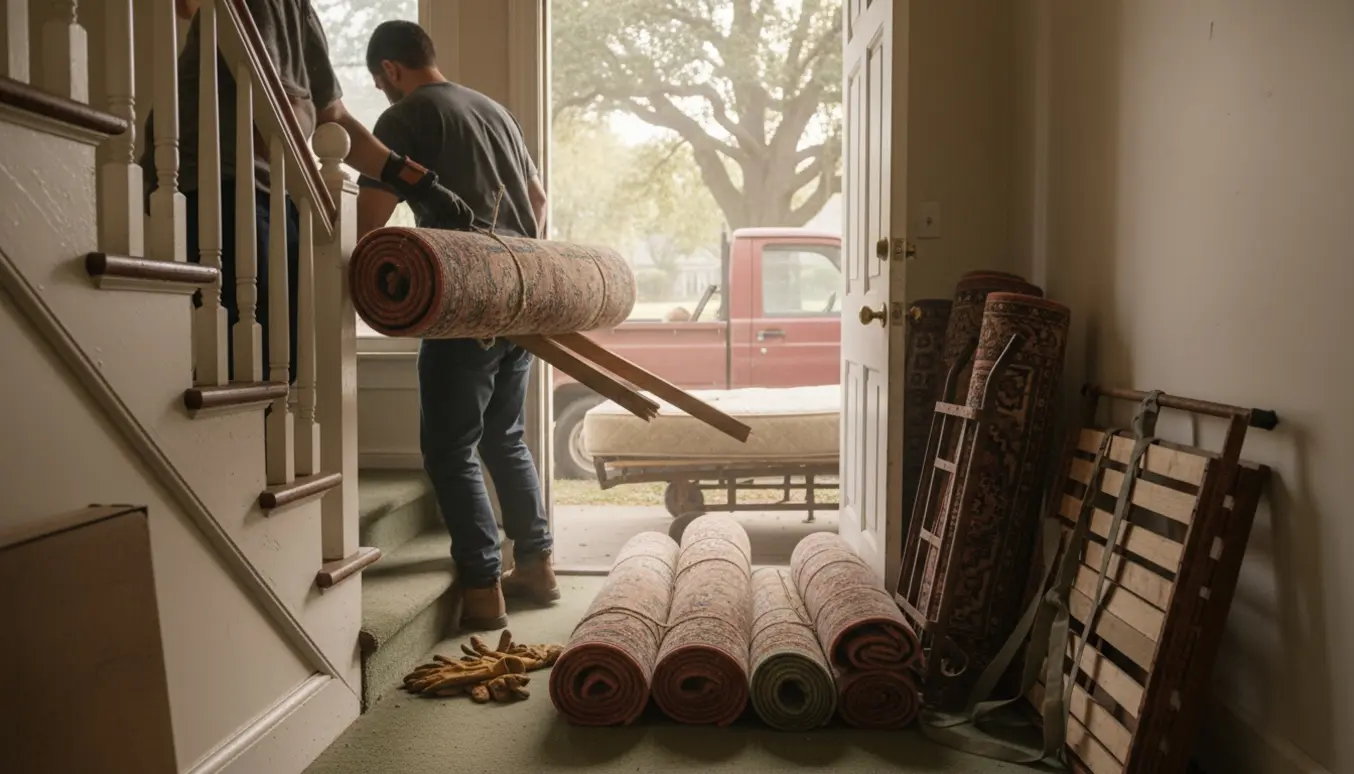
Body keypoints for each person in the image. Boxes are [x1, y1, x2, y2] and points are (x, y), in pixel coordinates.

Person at [142, 0, 475, 382]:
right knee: (257, 350)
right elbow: (269, 105)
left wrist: (417, 181)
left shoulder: (301, 13)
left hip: (274, 187)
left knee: (293, 346)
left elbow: (334, 118)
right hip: (220, 183)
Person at [355, 20, 556, 631]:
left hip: (463, 299)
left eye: (380, 81)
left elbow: (371, 219)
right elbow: (538, 200)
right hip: (520, 292)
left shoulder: (407, 115)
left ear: (390, 70)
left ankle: (481, 589)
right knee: (504, 437)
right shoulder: (496, 111)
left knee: (448, 449)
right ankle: (538, 567)